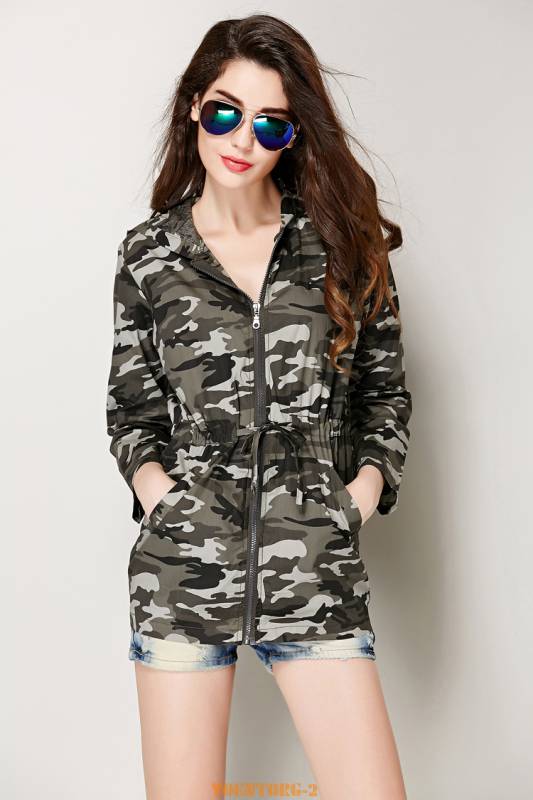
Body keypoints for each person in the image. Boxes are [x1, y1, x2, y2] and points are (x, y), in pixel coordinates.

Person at [106, 13, 412, 799]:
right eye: (224, 112)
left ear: (293, 135)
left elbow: (382, 394)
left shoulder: (340, 245)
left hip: (314, 571)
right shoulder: (150, 254)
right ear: (193, 106)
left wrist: (356, 499)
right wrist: (163, 500)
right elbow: (132, 411)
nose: (242, 139)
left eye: (270, 123)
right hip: (181, 578)